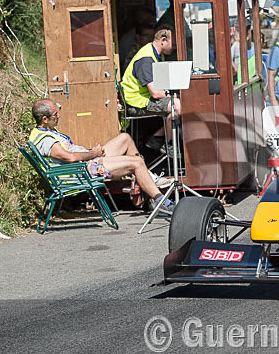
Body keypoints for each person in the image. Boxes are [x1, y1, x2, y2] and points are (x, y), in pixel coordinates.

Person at [29, 99, 175, 213]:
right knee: (136, 162)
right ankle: (161, 201)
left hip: (88, 162)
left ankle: (148, 177)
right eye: (55, 114)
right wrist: (92, 154)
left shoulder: (48, 131)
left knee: (124, 138)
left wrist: (92, 153)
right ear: (44, 119)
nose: (58, 116)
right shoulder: (45, 140)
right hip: (82, 171)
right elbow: (70, 158)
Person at [120, 25, 181, 151]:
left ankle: (159, 137)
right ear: (163, 40)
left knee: (178, 104)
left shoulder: (156, 54)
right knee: (177, 105)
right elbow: (155, 93)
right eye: (173, 43)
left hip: (145, 98)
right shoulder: (146, 59)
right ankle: (168, 144)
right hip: (136, 102)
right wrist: (170, 95)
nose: (175, 47)